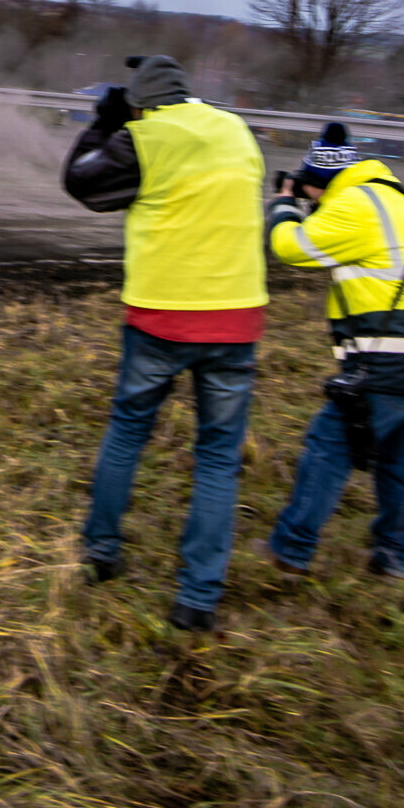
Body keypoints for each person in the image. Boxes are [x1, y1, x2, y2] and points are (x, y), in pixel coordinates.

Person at [61, 54, 267, 632]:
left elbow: (80, 182)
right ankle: (198, 599)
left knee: (128, 431)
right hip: (237, 317)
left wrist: (103, 126)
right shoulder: (236, 130)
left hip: (162, 316)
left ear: (139, 103)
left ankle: (102, 552)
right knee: (219, 459)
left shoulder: (142, 138)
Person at [263, 125, 404, 580]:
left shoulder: (356, 205)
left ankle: (290, 551)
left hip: (394, 357)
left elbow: (290, 247)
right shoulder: (403, 201)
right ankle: (395, 558)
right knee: (397, 462)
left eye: (308, 184)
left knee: (328, 447)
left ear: (322, 181)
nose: (308, 193)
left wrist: (282, 203)